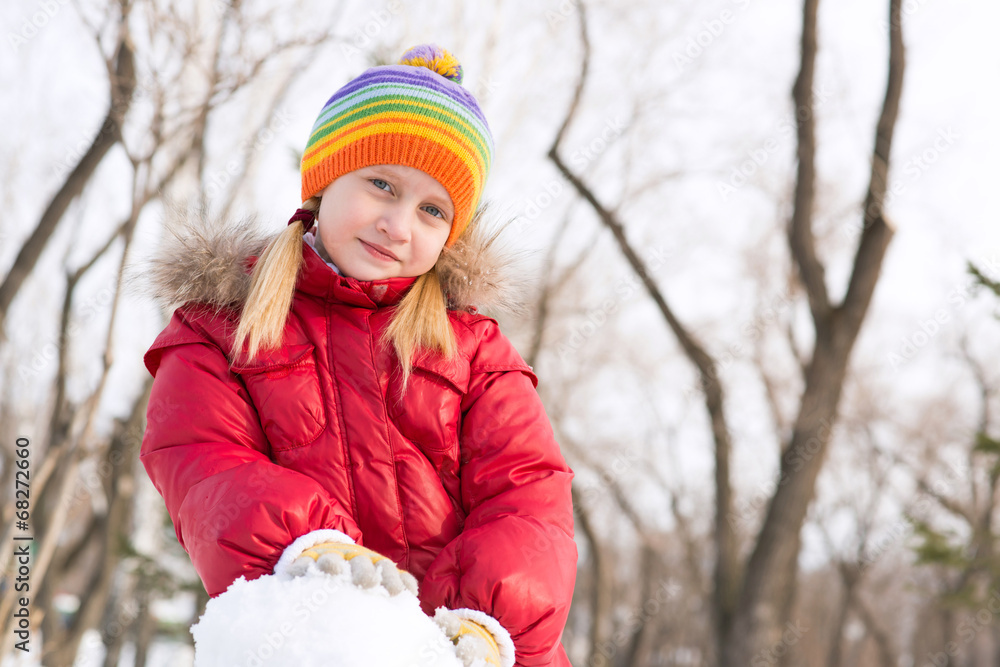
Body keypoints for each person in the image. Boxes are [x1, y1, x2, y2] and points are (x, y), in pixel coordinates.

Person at [140, 44, 577, 667]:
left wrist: (489, 619)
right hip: (313, 640)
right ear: (324, 179)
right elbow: (202, 459)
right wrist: (303, 547)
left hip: (466, 648)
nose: (399, 225)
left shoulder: (474, 349)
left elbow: (528, 493)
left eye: (432, 210)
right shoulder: (220, 328)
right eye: (382, 184)